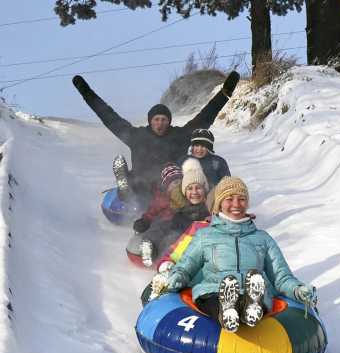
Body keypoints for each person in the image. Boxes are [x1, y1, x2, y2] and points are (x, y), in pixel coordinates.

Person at [165, 176, 317, 333]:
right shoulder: (205, 236)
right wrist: (176, 277)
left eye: (242, 199)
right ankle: (228, 309)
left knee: (257, 298)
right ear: (219, 204)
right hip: (214, 290)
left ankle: (251, 306)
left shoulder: (262, 238)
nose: (236, 204)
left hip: (251, 292)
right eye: (229, 199)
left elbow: (281, 276)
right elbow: (186, 266)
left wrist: (298, 290)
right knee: (214, 298)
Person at [72, 71, 240, 205]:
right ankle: (126, 187)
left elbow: (205, 117)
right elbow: (108, 116)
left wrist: (224, 94)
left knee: (172, 187)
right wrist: (85, 91)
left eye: (164, 119)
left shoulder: (180, 135)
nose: (160, 123)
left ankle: (130, 189)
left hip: (170, 185)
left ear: (169, 121)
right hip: (141, 183)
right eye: (156, 119)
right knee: (138, 186)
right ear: (150, 121)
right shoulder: (136, 135)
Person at [136, 159, 210, 267]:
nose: (177, 185)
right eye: (173, 183)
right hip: (167, 221)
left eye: (179, 181)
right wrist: (145, 220)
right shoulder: (162, 198)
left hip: (180, 223)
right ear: (166, 186)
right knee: (158, 230)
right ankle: (149, 247)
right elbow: (152, 211)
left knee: (172, 238)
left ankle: (167, 259)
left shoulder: (188, 192)